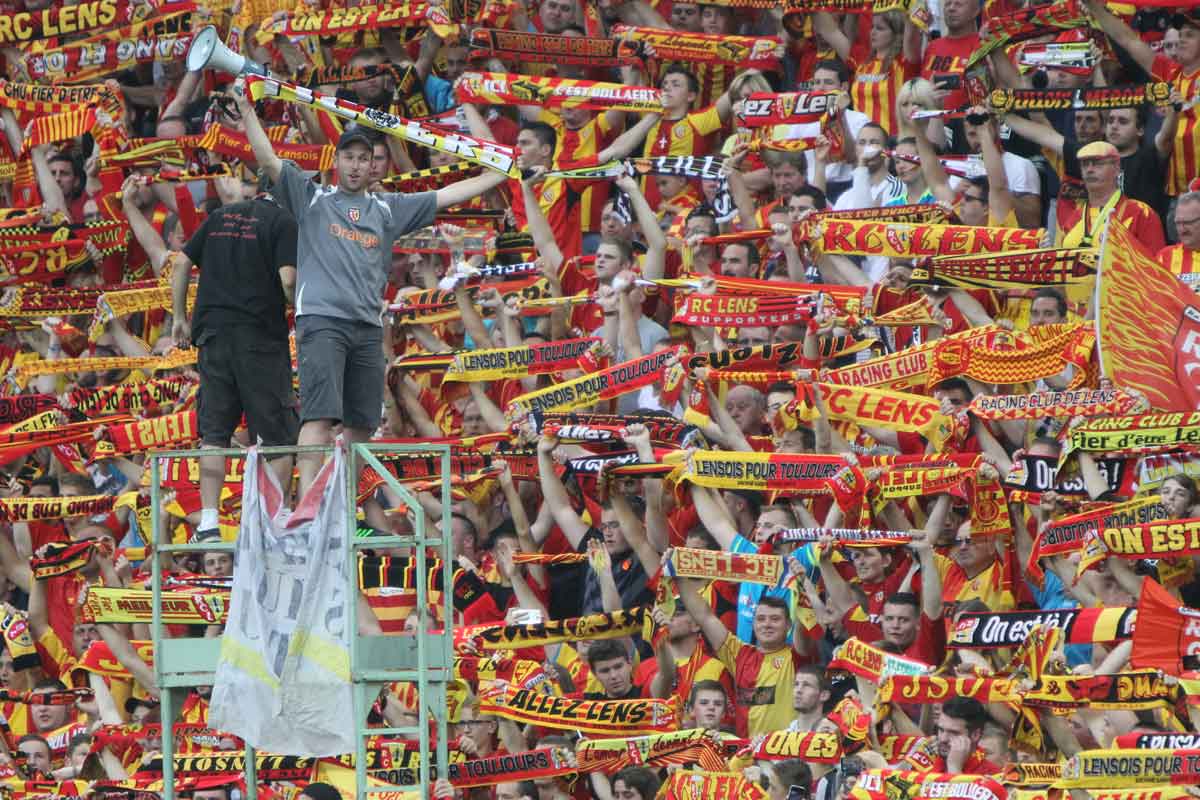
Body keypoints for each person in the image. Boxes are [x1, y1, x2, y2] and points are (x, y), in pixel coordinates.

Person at [237, 92, 508, 495]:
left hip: (367, 327)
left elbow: (450, 194)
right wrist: (245, 110)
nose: (356, 164)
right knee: (319, 417)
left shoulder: (388, 207)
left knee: (362, 422)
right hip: (323, 321)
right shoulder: (313, 197)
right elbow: (269, 160)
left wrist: (501, 170)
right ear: (337, 161)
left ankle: (345, 498)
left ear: (374, 166)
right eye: (350, 157)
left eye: (365, 158)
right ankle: (310, 500)